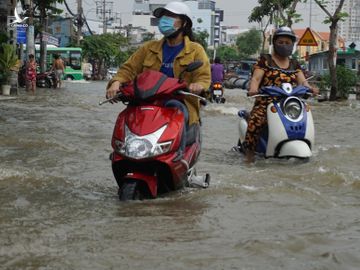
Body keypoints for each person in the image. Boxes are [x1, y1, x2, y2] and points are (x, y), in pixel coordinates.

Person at [106, 1, 211, 155]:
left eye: (170, 16)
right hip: (146, 101)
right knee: (126, 116)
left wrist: (199, 85)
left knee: (179, 110)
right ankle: (120, 153)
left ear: (184, 23)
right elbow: (128, 69)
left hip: (177, 101)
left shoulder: (195, 50)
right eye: (164, 16)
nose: (164, 20)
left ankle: (178, 158)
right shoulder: (149, 48)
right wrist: (116, 82)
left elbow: (203, 77)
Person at [243, 26, 319, 162]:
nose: (284, 45)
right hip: (267, 103)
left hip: (290, 104)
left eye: (288, 43)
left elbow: (303, 82)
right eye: (281, 42)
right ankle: (249, 154)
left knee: (306, 120)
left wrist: (310, 88)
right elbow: (256, 78)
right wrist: (253, 89)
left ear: (292, 44)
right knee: (255, 122)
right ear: (274, 43)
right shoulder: (265, 60)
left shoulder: (294, 63)